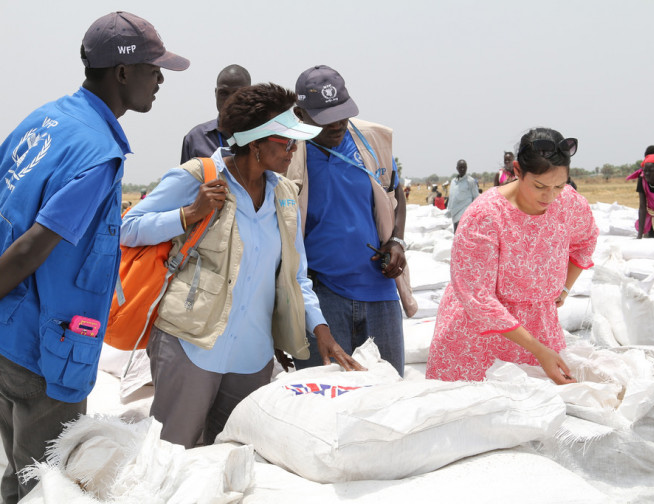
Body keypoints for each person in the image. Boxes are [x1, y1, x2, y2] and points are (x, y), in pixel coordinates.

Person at [0, 12, 188, 503]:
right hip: (46, 347)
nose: (161, 79)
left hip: (8, 330)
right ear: (122, 72)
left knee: (21, 472)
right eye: (153, 67)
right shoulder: (96, 153)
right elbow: (28, 249)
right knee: (49, 482)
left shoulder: (42, 122)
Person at [121, 83, 364, 449]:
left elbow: (296, 275)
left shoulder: (284, 193)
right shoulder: (197, 177)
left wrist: (321, 329)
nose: (294, 151)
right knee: (172, 452)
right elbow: (128, 228)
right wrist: (189, 214)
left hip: (252, 357)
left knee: (232, 458)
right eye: (287, 143)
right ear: (255, 145)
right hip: (191, 344)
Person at [426, 127, 598, 385]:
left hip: (539, 329)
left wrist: (563, 289)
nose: (549, 196)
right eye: (539, 186)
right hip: (477, 338)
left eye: (559, 186)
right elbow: (478, 296)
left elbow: (585, 240)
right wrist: (538, 350)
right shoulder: (485, 217)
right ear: (517, 171)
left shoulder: (568, 204)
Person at [286, 65, 409, 376]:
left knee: (389, 392)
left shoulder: (370, 143)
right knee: (325, 401)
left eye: (342, 112)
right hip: (322, 298)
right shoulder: (287, 157)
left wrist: (396, 240)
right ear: (300, 115)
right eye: (326, 118)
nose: (338, 123)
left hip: (379, 292)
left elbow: (395, 194)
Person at [180, 64, 251, 163]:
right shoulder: (196, 138)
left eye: (237, 93)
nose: (229, 100)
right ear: (216, 93)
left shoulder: (263, 137)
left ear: (250, 94)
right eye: (223, 93)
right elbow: (185, 177)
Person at [447, 159, 479, 232]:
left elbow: (476, 197)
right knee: (457, 236)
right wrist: (449, 209)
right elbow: (451, 197)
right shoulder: (453, 182)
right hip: (455, 214)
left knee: (463, 236)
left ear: (466, 168)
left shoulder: (470, 181)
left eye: (464, 167)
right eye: (460, 167)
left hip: (465, 214)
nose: (462, 169)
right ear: (457, 168)